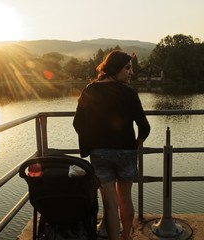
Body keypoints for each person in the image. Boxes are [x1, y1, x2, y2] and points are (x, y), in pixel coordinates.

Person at [73, 50, 150, 240]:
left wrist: (92, 143)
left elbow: (77, 124)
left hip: (100, 155)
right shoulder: (129, 93)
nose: (131, 72)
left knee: (110, 203)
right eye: (128, 68)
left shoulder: (90, 90)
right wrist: (136, 145)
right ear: (115, 68)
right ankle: (127, 237)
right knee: (125, 199)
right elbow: (145, 127)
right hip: (126, 153)